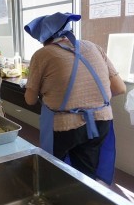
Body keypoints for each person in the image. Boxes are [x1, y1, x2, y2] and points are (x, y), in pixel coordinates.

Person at [23, 12, 126, 184]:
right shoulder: (93, 47)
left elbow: (30, 100)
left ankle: (57, 202)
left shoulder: (43, 55)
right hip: (101, 123)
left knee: (53, 170)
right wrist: (91, 103)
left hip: (65, 128)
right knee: (86, 175)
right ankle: (84, 204)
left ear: (45, 37)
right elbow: (119, 88)